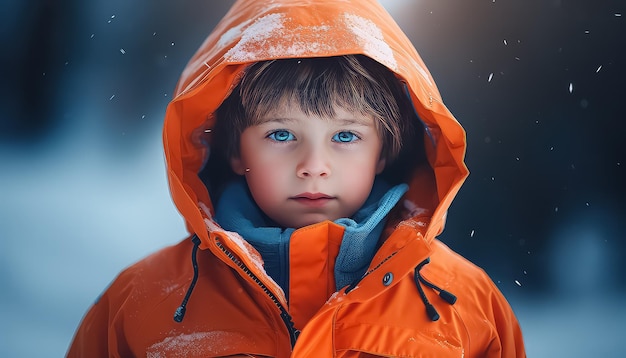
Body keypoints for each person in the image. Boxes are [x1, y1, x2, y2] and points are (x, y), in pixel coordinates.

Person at [67, 0, 526, 356]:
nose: (313, 164)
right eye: (281, 133)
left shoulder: (466, 303)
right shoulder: (141, 302)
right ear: (233, 150)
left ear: (383, 150)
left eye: (345, 135)